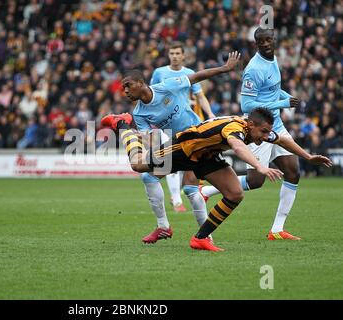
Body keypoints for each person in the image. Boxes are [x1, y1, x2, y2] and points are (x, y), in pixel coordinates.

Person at [101, 108, 332, 251]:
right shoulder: (236, 129)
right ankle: (123, 123)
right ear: (251, 125)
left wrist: (308, 156)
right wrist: (260, 166)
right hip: (182, 148)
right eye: (261, 132)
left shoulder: (256, 128)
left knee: (234, 193)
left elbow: (280, 139)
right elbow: (238, 147)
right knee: (139, 164)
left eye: (265, 133)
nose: (264, 137)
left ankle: (200, 239)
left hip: (206, 156)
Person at [103, 51, 240, 244]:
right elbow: (150, 138)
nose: (125, 90)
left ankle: (205, 238)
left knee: (193, 190)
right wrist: (138, 138)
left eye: (128, 85)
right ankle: (164, 227)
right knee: (148, 176)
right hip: (178, 146)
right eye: (123, 87)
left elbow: (196, 77)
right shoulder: (140, 113)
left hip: (199, 139)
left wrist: (225, 69)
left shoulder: (166, 86)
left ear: (141, 83)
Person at [199, 27, 306, 241]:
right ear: (255, 44)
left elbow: (273, 90)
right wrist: (283, 103)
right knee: (256, 181)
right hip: (257, 128)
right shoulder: (254, 69)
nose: (266, 44)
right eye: (261, 41)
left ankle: (277, 229)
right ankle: (208, 191)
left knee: (293, 171)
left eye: (269, 40)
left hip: (276, 124)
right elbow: (247, 104)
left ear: (275, 40)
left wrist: (287, 97)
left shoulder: (274, 60)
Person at [148, 41, 215, 213]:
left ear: (183, 55)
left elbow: (200, 96)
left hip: (185, 123)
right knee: (169, 160)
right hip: (165, 124)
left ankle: (187, 193)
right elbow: (150, 94)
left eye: (178, 53)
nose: (175, 56)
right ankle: (177, 201)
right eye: (172, 53)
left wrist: (210, 115)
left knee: (186, 162)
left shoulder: (189, 73)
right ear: (168, 55)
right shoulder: (159, 72)